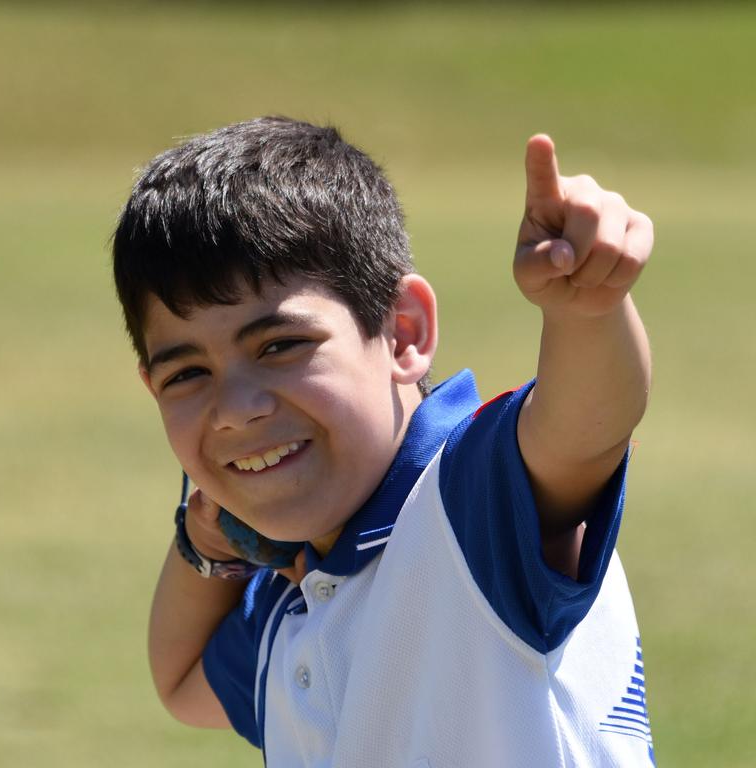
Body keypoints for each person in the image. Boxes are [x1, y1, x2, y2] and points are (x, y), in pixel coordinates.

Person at [112, 117, 655, 767]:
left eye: (280, 346)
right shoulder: (304, 589)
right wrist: (207, 545)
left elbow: (587, 428)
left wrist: (589, 312)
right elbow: (182, 682)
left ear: (402, 333)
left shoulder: (466, 502)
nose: (234, 410)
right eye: (188, 373)